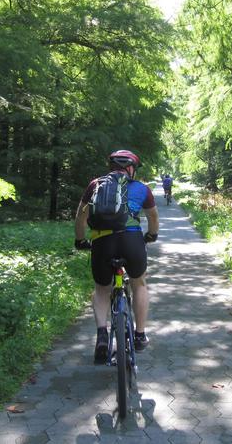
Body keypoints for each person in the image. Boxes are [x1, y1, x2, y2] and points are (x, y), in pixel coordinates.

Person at [74, 149, 159, 364]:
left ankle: (102, 336)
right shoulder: (142, 188)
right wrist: (151, 235)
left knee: (102, 289)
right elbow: (153, 216)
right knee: (139, 283)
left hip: (103, 243)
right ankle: (139, 335)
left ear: (111, 167)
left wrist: (80, 240)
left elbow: (81, 215)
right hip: (132, 242)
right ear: (131, 169)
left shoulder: (96, 185)